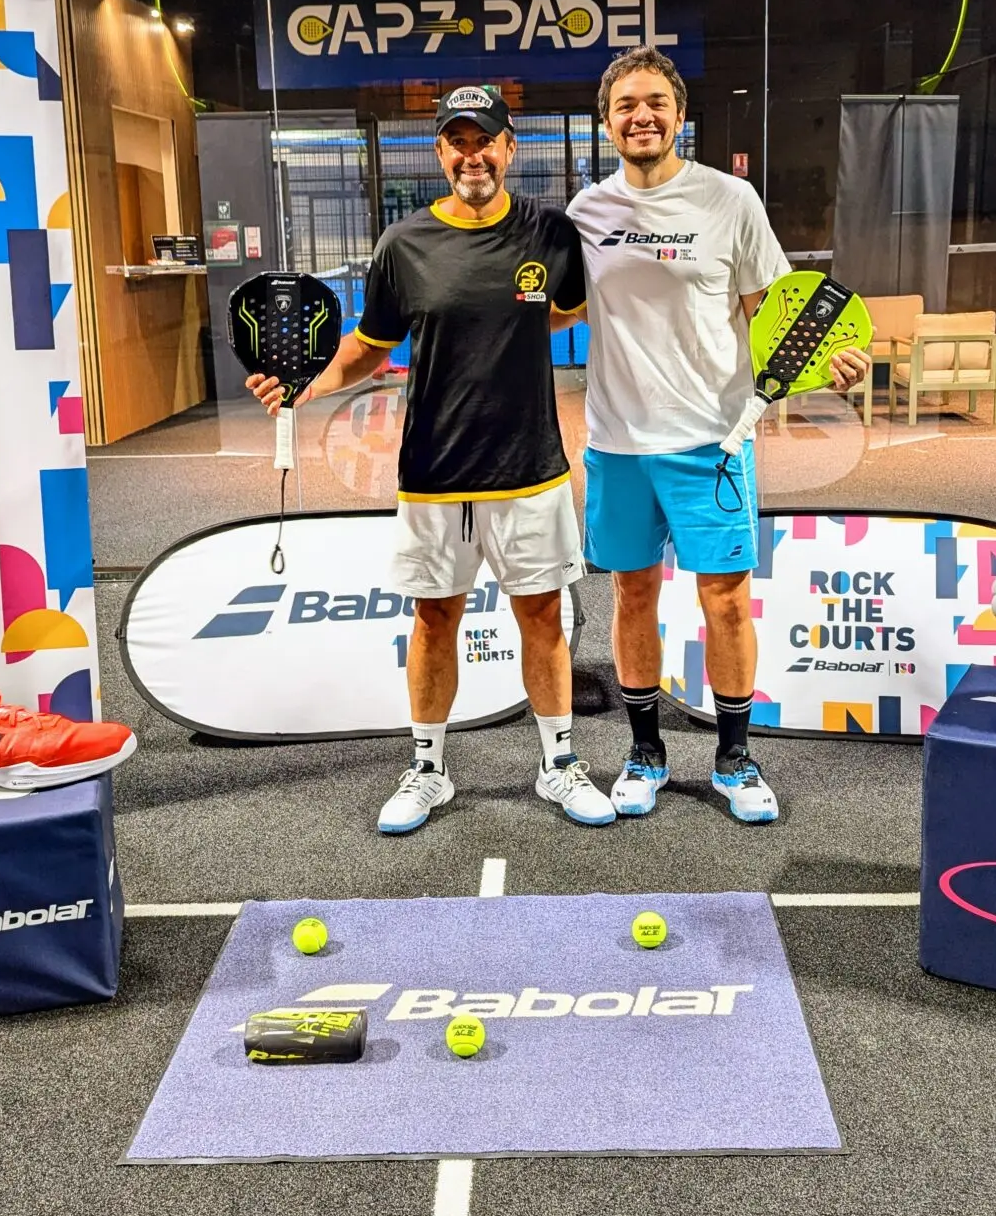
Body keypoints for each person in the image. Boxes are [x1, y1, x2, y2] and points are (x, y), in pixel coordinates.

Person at [247, 83, 615, 834]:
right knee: (433, 620)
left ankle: (558, 763)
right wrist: (307, 385)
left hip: (530, 468)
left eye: (486, 141)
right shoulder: (403, 245)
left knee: (543, 618)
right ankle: (427, 770)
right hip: (433, 473)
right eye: (458, 142)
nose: (472, 156)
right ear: (441, 151)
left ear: (510, 148)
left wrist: (513, 328)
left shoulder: (549, 232)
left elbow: (573, 311)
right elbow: (367, 349)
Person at [568, 46, 869, 825]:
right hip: (617, 444)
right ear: (606, 122)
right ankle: (644, 754)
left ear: (678, 114)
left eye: (655, 103)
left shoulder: (730, 200)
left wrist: (829, 361)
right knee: (631, 595)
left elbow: (776, 313)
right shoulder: (585, 213)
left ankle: (734, 759)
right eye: (625, 105)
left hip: (712, 441)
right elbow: (550, 306)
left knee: (726, 602)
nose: (641, 116)